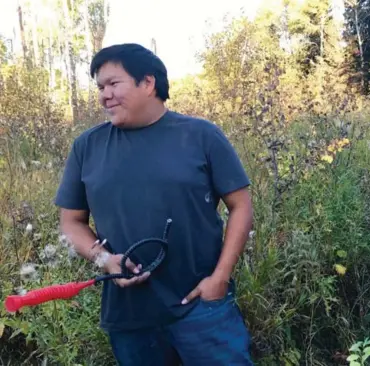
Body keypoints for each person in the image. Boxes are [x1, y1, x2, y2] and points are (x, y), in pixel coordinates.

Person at [55, 43, 255, 365]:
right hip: (129, 318)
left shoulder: (201, 136)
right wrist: (105, 259)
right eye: (100, 87)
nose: (104, 95)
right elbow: (71, 221)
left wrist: (219, 278)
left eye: (113, 84)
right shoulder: (86, 148)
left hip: (202, 309)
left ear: (148, 83)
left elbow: (241, 205)